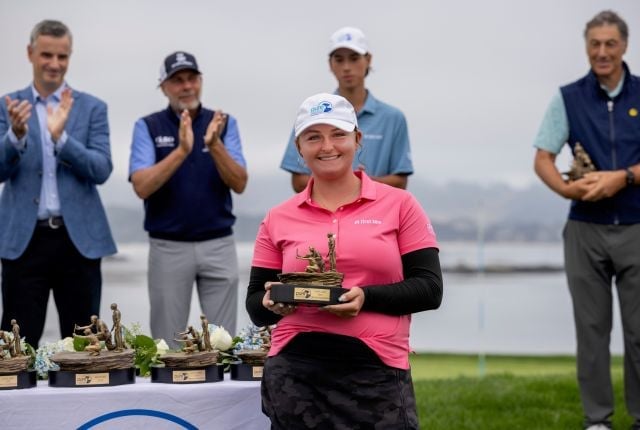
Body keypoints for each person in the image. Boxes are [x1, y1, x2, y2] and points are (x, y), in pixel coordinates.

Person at [247, 93, 443, 429]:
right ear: (299, 149)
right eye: (313, 137)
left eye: (338, 134)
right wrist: (272, 303)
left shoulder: (400, 204)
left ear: (357, 139)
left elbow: (429, 289)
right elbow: (255, 305)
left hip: (377, 371)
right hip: (295, 373)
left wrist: (366, 297)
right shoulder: (277, 217)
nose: (327, 146)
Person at [533, 10, 640, 430]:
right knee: (592, 332)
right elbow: (542, 157)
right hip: (585, 230)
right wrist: (565, 189)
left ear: (624, 46)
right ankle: (597, 421)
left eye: (609, 43)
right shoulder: (567, 97)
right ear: (586, 47)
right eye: (594, 44)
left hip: (636, 225)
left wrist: (623, 177)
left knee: (639, 333)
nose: (601, 52)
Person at [0, 20, 116, 349]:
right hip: (23, 240)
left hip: (78, 241)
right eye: (47, 55)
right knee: (16, 348)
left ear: (70, 56)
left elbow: (102, 168)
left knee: (85, 348)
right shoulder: (7, 105)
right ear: (30, 53)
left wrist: (60, 138)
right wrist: (15, 137)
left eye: (62, 56)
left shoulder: (93, 107)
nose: (54, 64)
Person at [129, 51, 247, 348]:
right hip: (168, 247)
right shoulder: (148, 126)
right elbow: (142, 186)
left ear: (200, 81)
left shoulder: (223, 123)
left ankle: (223, 396)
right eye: (177, 80)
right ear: (163, 87)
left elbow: (240, 182)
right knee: (166, 345)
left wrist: (214, 145)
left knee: (222, 344)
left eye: (192, 78)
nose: (186, 86)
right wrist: (181, 151)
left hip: (218, 244)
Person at [280, 26, 413, 192]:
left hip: (377, 216)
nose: (347, 67)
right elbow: (298, 181)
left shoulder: (393, 118)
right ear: (330, 64)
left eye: (354, 58)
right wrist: (353, 184)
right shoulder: (311, 113)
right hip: (324, 215)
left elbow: (400, 182)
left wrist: (357, 183)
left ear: (368, 60)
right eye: (339, 59)